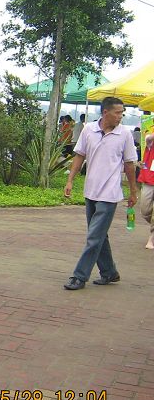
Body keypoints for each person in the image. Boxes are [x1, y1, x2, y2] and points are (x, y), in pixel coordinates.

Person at [63, 97, 138, 290]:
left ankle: (79, 276)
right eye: (118, 113)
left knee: (94, 237)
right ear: (105, 112)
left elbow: (129, 164)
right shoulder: (89, 130)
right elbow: (79, 156)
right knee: (99, 236)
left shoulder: (125, 134)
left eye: (122, 113)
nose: (120, 116)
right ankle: (109, 272)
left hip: (110, 194)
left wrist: (133, 191)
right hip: (91, 191)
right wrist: (70, 180)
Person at [140, 129, 154, 249]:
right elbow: (148, 139)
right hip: (149, 179)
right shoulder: (150, 137)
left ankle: (152, 238)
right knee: (145, 211)